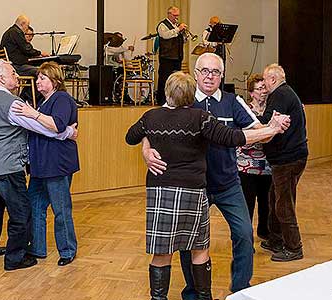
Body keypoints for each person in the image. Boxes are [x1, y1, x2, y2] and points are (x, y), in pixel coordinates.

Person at [125, 71, 287, 300]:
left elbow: (130, 136)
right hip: (193, 190)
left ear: (167, 93)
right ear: (192, 94)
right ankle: (202, 297)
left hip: (162, 193)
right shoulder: (200, 117)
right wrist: (272, 129)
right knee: (198, 248)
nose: (210, 76)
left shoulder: (151, 116)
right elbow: (233, 138)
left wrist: (145, 141)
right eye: (205, 71)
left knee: (163, 251)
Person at [0, 60, 76, 271]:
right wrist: (68, 132)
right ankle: (15, 258)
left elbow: (49, 125)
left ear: (55, 81)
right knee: (22, 212)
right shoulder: (13, 103)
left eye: (42, 77)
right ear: (2, 78)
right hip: (8, 165)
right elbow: (45, 129)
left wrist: (49, 122)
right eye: (13, 73)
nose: (18, 76)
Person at [11, 62, 79, 267]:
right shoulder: (42, 100)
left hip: (56, 164)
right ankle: (37, 248)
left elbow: (58, 125)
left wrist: (33, 114)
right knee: (35, 206)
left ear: (55, 80)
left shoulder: (62, 99)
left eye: (42, 78)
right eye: (38, 78)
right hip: (41, 166)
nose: (38, 81)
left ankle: (67, 250)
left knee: (60, 209)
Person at [258, 64, 308, 262]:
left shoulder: (279, 95)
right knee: (274, 199)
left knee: (283, 204)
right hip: (288, 158)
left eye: (264, 79)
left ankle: (294, 247)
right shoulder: (286, 93)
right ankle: (276, 240)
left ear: (272, 79)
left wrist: (248, 117)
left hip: (287, 160)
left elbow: (268, 123)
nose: (263, 84)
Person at [236, 74, 272, 240]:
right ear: (251, 93)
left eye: (264, 88)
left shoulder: (271, 110)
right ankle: (246, 238)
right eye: (259, 89)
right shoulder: (244, 111)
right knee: (247, 204)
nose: (263, 92)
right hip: (247, 167)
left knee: (266, 203)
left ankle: (264, 232)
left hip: (267, 166)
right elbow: (244, 137)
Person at [156, 6, 187, 105]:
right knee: (164, 80)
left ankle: (175, 100)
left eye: (177, 15)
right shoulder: (162, 25)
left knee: (176, 80)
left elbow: (183, 40)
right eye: (174, 15)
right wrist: (178, 29)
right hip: (166, 57)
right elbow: (165, 35)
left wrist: (184, 35)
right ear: (169, 14)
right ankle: (161, 101)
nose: (176, 18)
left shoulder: (176, 26)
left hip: (177, 57)